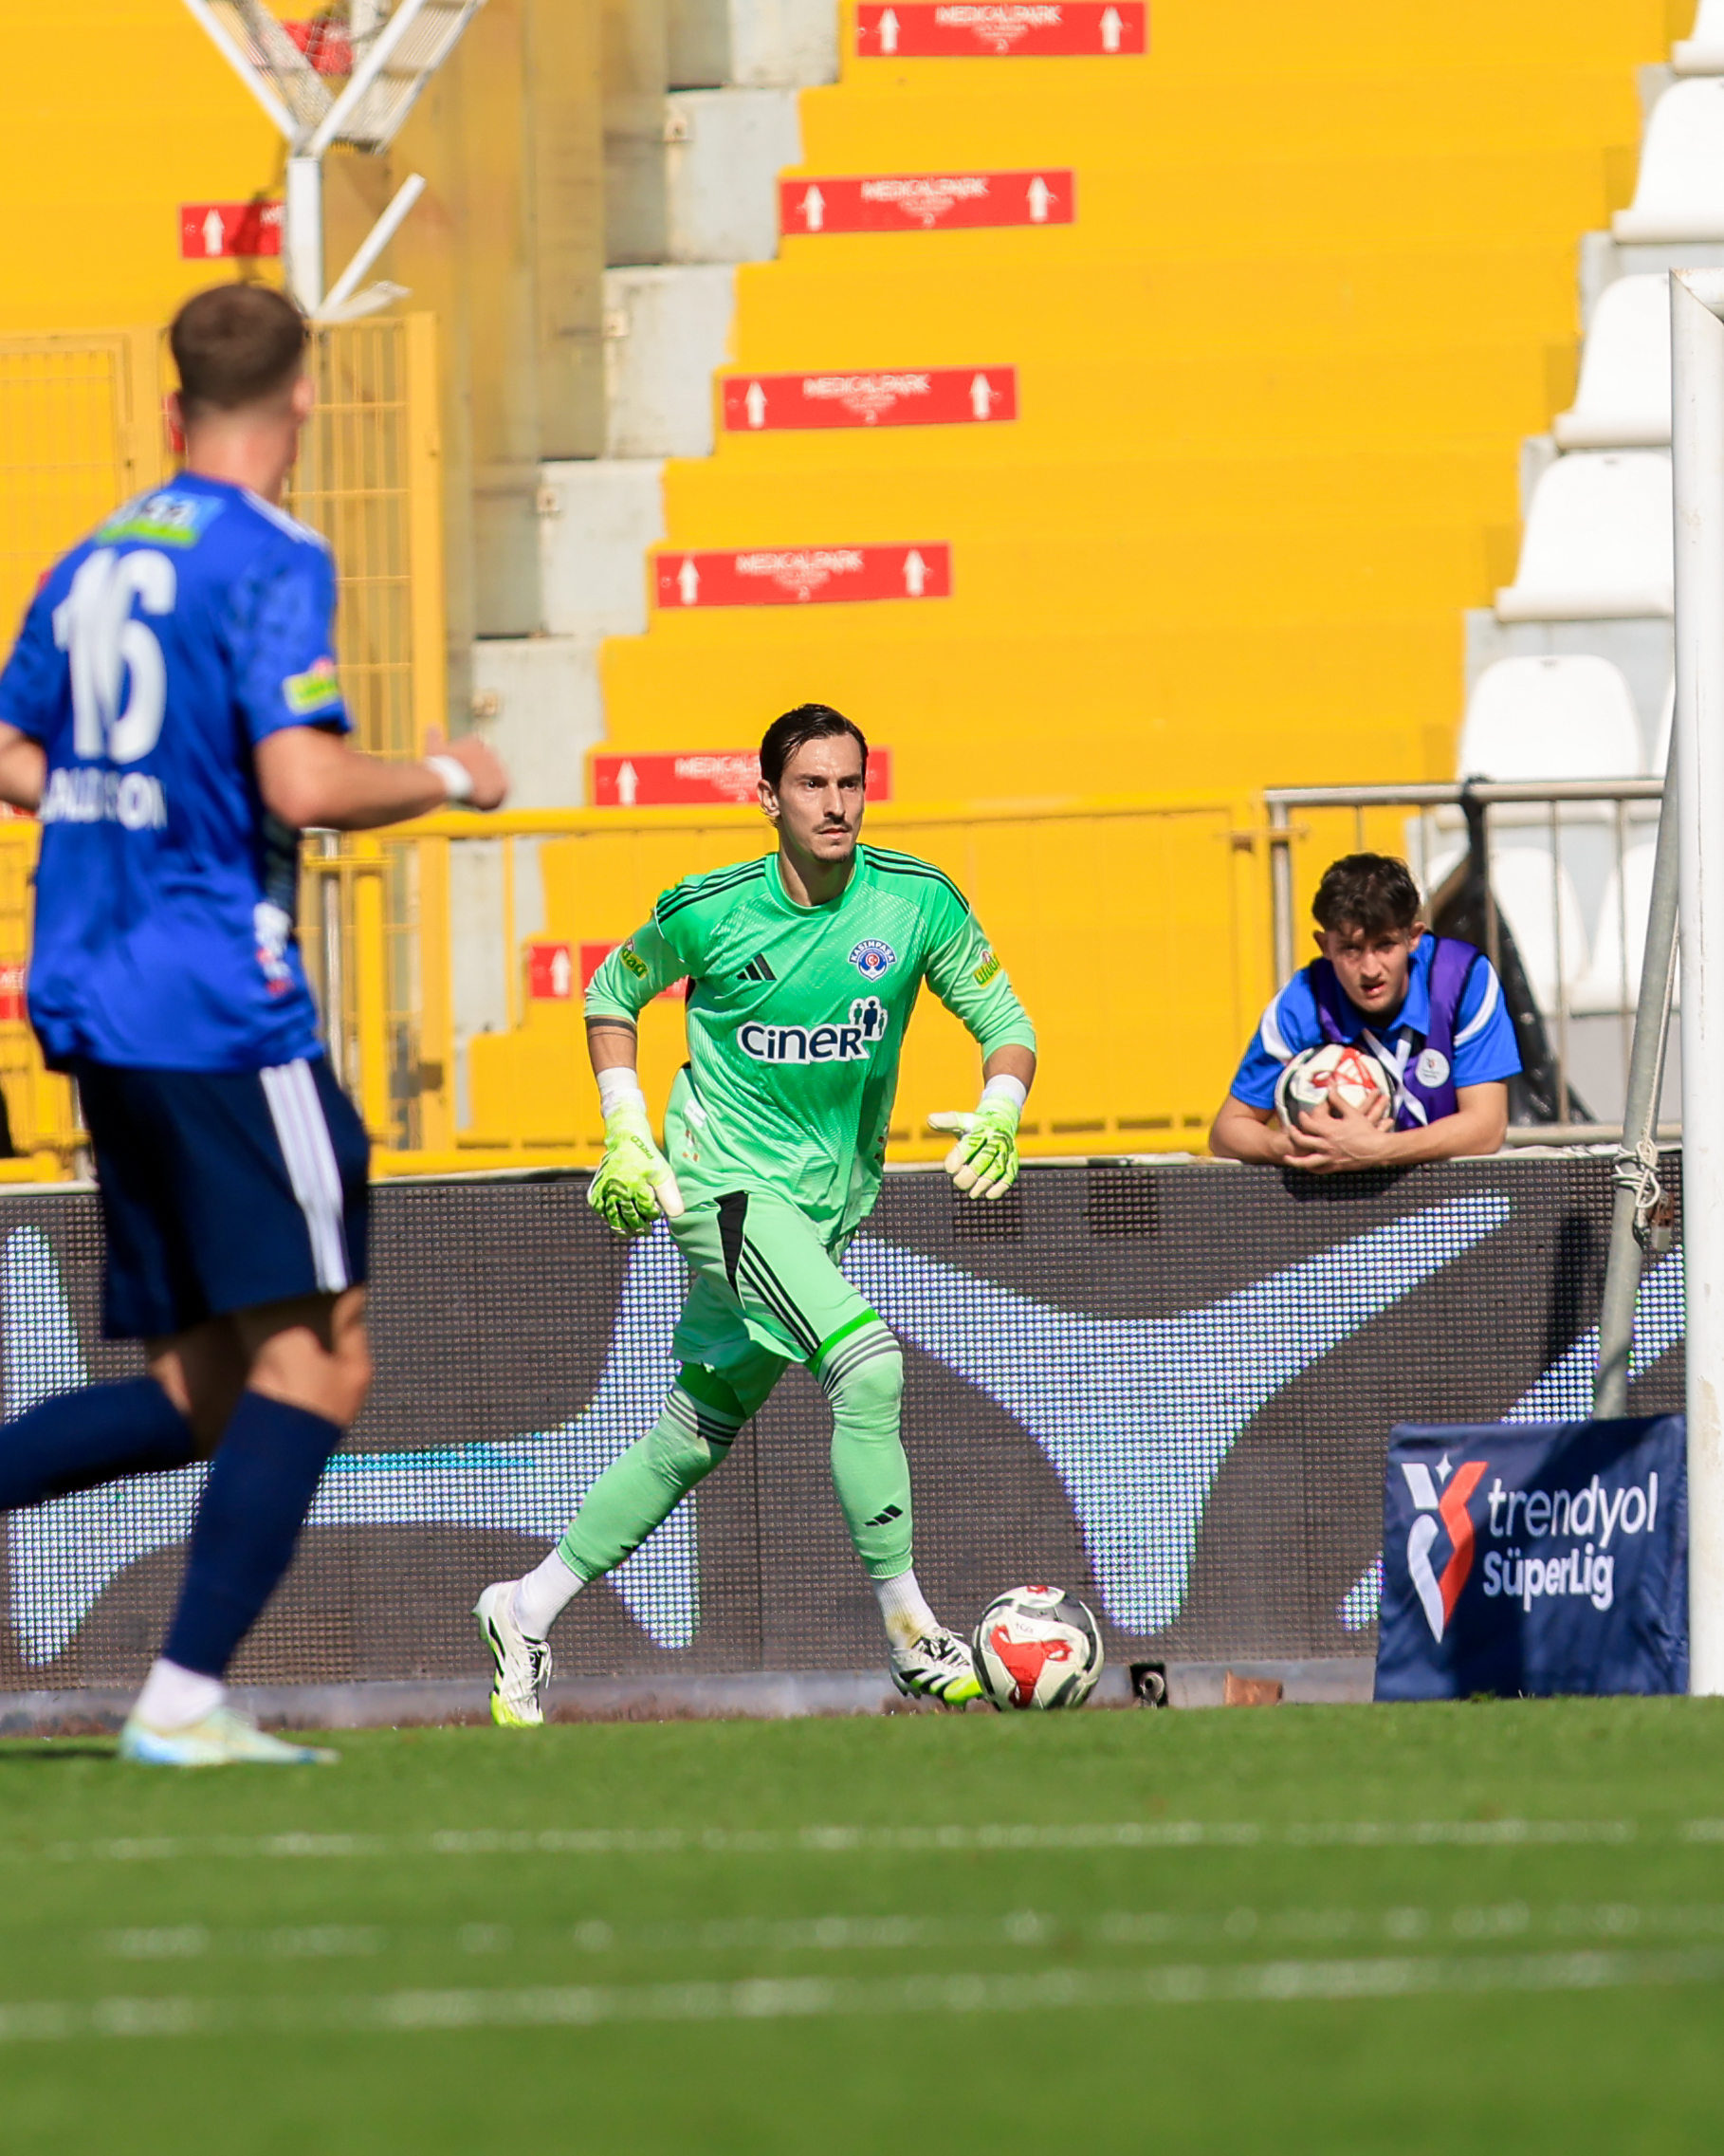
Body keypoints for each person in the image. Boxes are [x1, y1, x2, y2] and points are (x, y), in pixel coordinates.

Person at [0, 283, 506, 1766]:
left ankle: (185, 1699)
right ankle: (181, 1700)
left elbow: (17, 750)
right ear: (301, 403)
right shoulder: (273, 554)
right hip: (218, 1005)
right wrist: (454, 775)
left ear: (172, 409)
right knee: (324, 1360)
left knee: (204, 1387)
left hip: (91, 995)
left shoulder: (93, 560)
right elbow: (301, 783)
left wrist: (123, 801)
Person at [474, 702, 1037, 1722]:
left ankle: (525, 1606)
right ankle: (912, 1633)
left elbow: (1006, 1019)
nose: (836, 803)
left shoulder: (915, 903)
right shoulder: (711, 910)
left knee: (694, 1432)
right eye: (813, 784)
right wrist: (626, 1126)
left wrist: (1002, 1103)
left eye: (851, 782)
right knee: (868, 1364)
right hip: (721, 1182)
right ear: (768, 796)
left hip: (824, 1205)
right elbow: (610, 993)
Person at [1209, 852, 1519, 1173]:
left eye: (1385, 945)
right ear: (1325, 946)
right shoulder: (1303, 1001)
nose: (1370, 970)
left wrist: (1377, 1150)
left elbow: (1486, 1127)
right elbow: (1228, 1131)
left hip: (1453, 1188)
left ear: (1413, 937)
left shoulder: (1462, 980)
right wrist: (1296, 1146)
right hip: (1341, 1192)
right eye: (1351, 949)